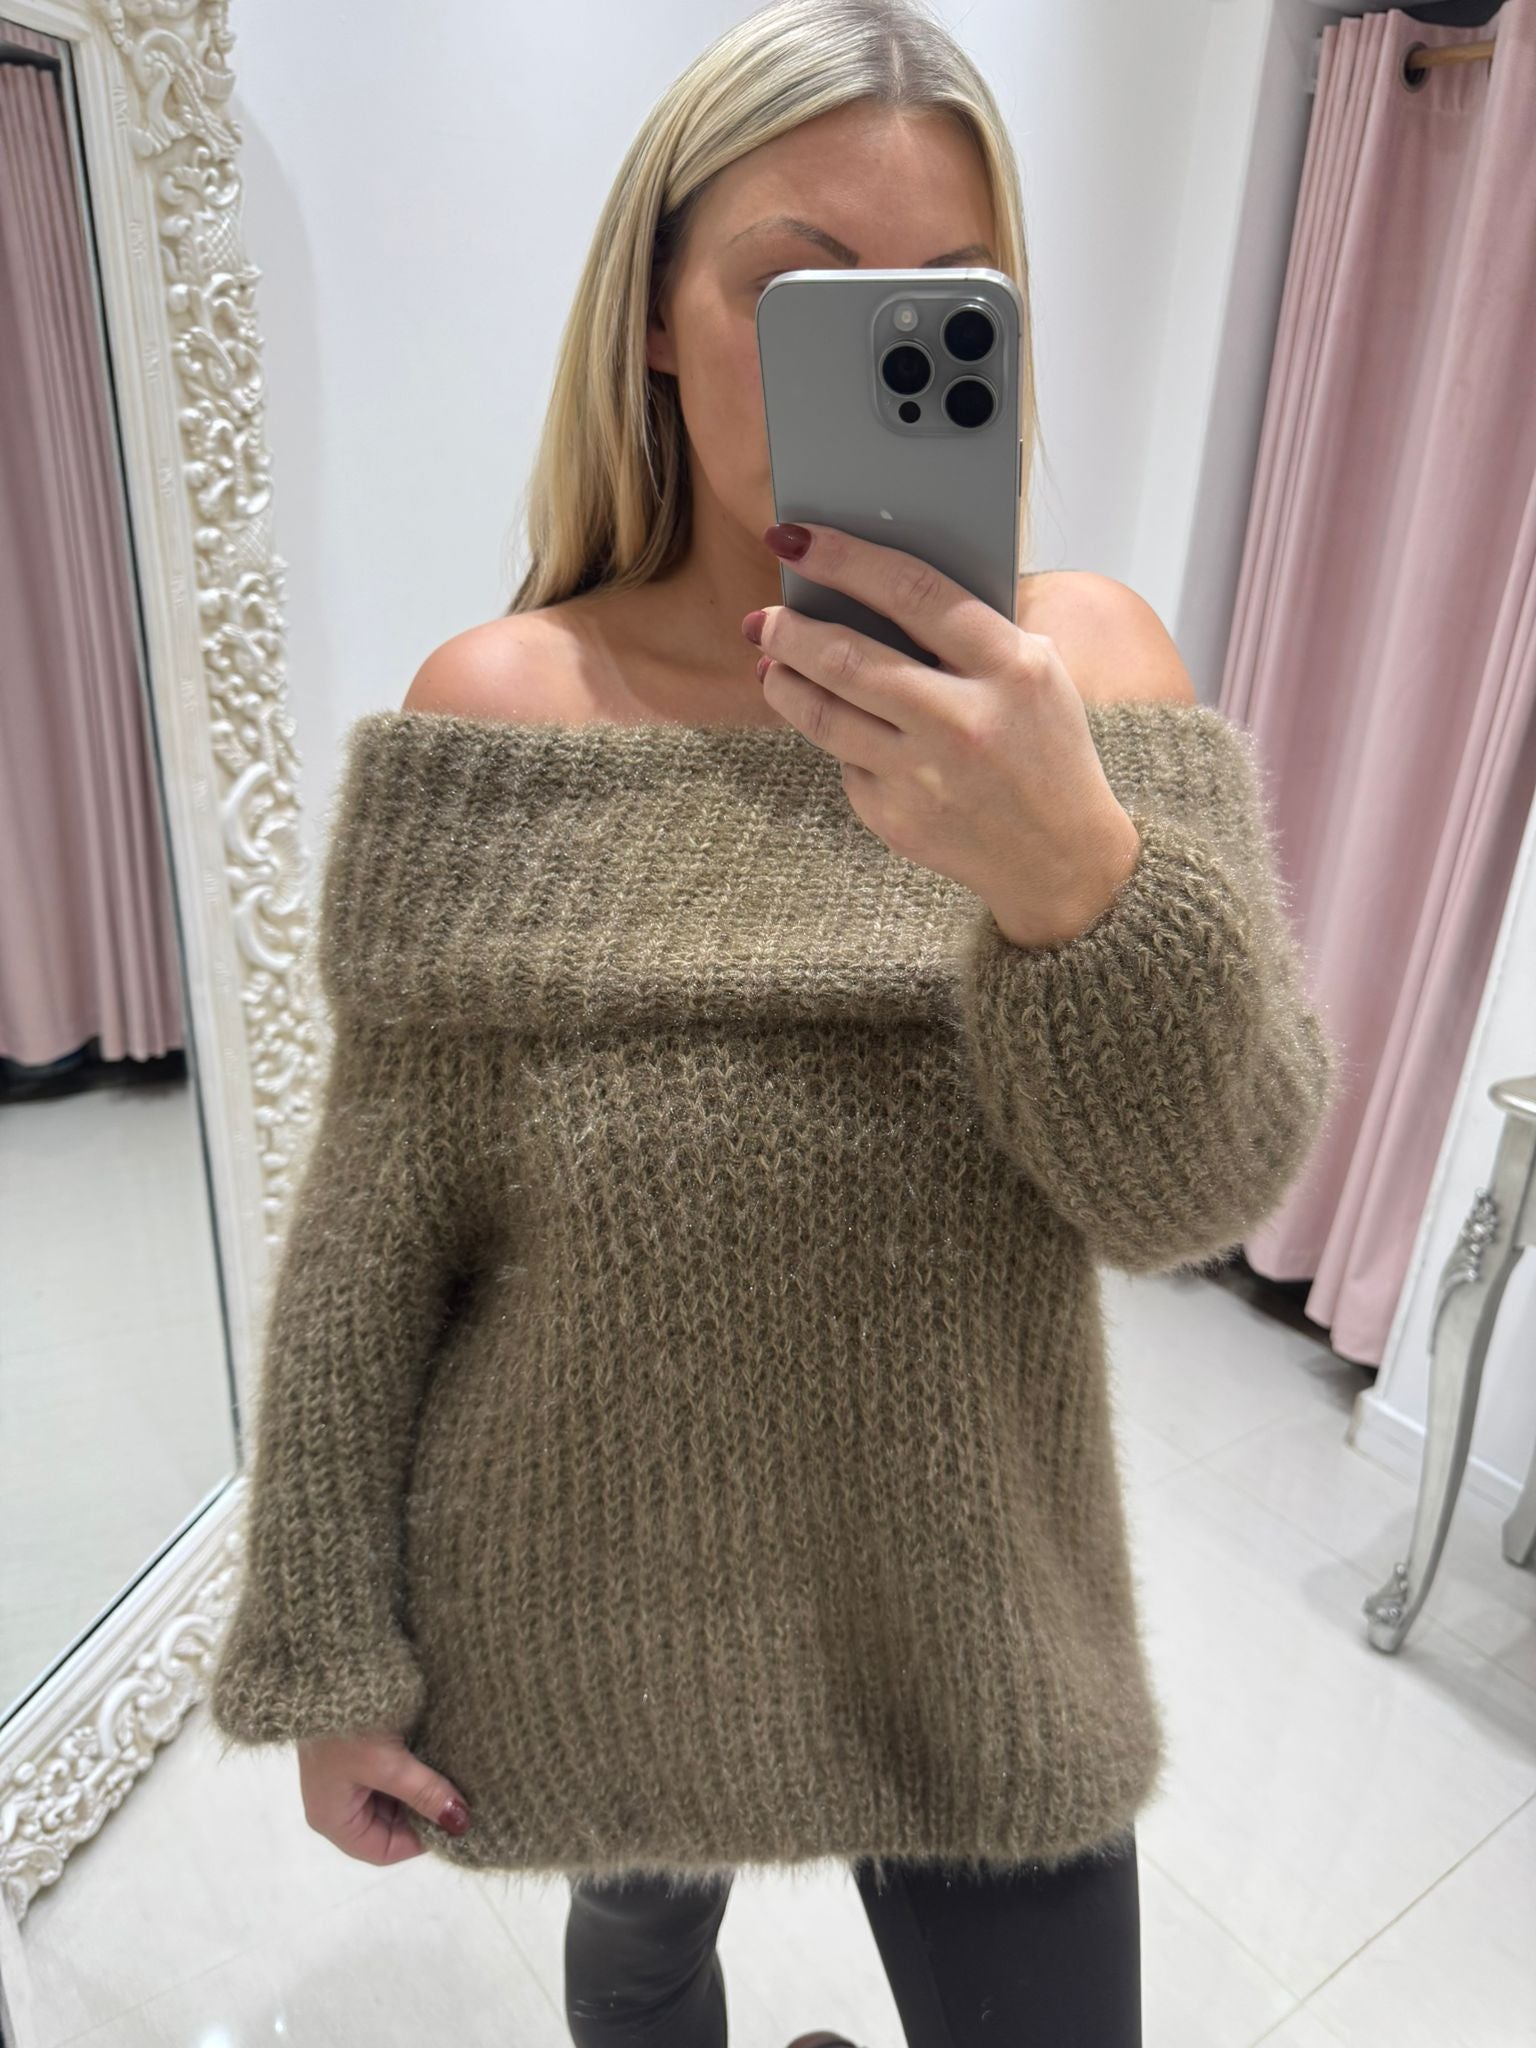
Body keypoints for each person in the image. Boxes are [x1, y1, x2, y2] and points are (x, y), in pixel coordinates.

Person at [206, 4, 1340, 2045]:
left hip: (974, 1609)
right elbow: (381, 1230)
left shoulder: (1087, 681)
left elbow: (1199, 1192)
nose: (876, 355)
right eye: (797, 293)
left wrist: (1069, 873)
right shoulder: (507, 710)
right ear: (655, 316)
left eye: (945, 301)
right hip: (594, 1580)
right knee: (644, 1959)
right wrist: (326, 1644)